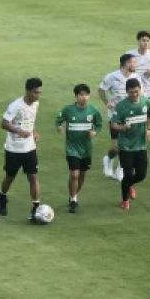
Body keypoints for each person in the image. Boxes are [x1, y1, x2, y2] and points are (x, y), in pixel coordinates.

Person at [53, 83, 102, 213]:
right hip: (72, 148)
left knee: (82, 174)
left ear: (89, 96)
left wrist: (95, 132)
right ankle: (74, 200)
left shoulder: (93, 111)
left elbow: (99, 124)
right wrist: (59, 126)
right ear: (76, 97)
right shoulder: (68, 110)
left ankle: (73, 195)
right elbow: (58, 120)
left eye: (86, 95)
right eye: (81, 95)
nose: (84, 97)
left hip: (86, 149)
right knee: (74, 174)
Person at [0, 77, 42, 220]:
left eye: (39, 93)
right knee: (10, 177)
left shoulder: (35, 104)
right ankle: (2, 196)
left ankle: (36, 207)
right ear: (28, 91)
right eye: (35, 93)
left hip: (29, 148)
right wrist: (19, 131)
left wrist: (34, 132)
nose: (37, 96)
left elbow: (31, 120)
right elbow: (4, 123)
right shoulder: (15, 106)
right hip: (13, 149)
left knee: (33, 176)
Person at [110, 78, 150, 210]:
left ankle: (129, 185)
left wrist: (149, 129)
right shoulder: (121, 106)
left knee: (141, 175)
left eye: (136, 91)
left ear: (140, 89)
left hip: (141, 146)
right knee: (128, 174)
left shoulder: (145, 102)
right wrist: (122, 128)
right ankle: (124, 201)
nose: (134, 94)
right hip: (126, 147)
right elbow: (113, 124)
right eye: (131, 92)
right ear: (126, 92)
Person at [98, 53, 137, 180]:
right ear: (126, 64)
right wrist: (106, 102)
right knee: (116, 147)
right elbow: (101, 89)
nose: (135, 64)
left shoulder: (136, 77)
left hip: (130, 115)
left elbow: (140, 94)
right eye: (133, 62)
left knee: (127, 145)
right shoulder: (112, 76)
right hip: (115, 115)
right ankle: (108, 159)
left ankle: (120, 170)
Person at [128, 30, 150, 126]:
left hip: (148, 89)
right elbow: (124, 69)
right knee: (133, 112)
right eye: (143, 40)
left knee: (145, 113)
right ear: (138, 41)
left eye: (148, 41)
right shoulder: (130, 54)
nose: (146, 43)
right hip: (133, 89)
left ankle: (147, 131)